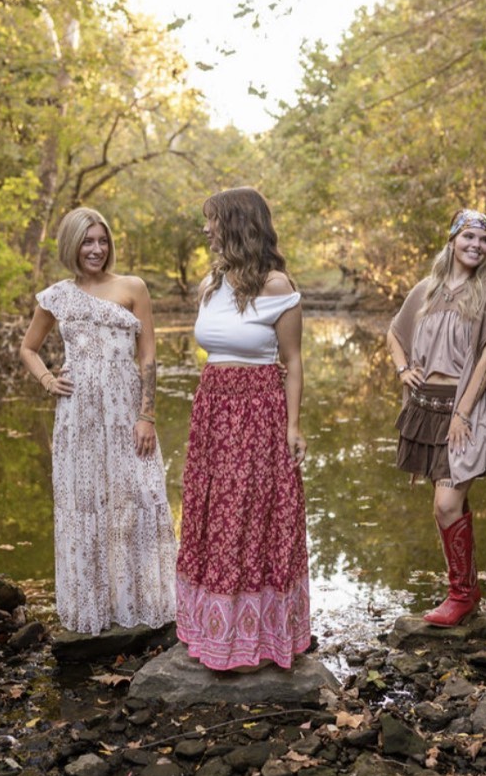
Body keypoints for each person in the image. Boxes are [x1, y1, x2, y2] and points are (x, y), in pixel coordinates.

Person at [19, 207, 176, 636]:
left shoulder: (132, 288)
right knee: (85, 501)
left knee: (140, 493)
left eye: (102, 241)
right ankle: (94, 607)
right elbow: (28, 349)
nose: (96, 249)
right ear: (72, 245)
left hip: (126, 408)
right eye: (87, 241)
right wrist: (49, 380)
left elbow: (147, 356)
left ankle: (143, 602)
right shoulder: (56, 296)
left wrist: (147, 414)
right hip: (78, 416)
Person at [176, 186, 310, 671]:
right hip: (213, 409)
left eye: (212, 220)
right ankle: (213, 631)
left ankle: (258, 639)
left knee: (252, 516)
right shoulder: (211, 283)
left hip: (259, 414)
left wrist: (294, 427)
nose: (206, 229)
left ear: (236, 224)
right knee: (213, 511)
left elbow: (293, 362)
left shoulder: (277, 285)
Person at [386, 208, 486, 627]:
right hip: (427, 407)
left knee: (445, 503)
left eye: (484, 240)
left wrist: (463, 413)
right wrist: (403, 369)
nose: (476, 246)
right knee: (448, 503)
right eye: (469, 237)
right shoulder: (428, 289)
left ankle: (462, 594)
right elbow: (394, 334)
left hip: (467, 407)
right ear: (452, 240)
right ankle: (466, 590)